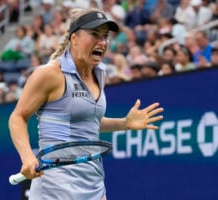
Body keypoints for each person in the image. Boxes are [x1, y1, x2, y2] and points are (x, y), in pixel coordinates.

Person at [8, 8, 164, 200]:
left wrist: (125, 123)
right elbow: (17, 117)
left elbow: (88, 122)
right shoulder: (50, 74)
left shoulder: (100, 73)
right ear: (74, 38)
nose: (102, 42)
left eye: (105, 36)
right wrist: (27, 156)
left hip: (93, 182)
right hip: (55, 185)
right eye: (94, 35)